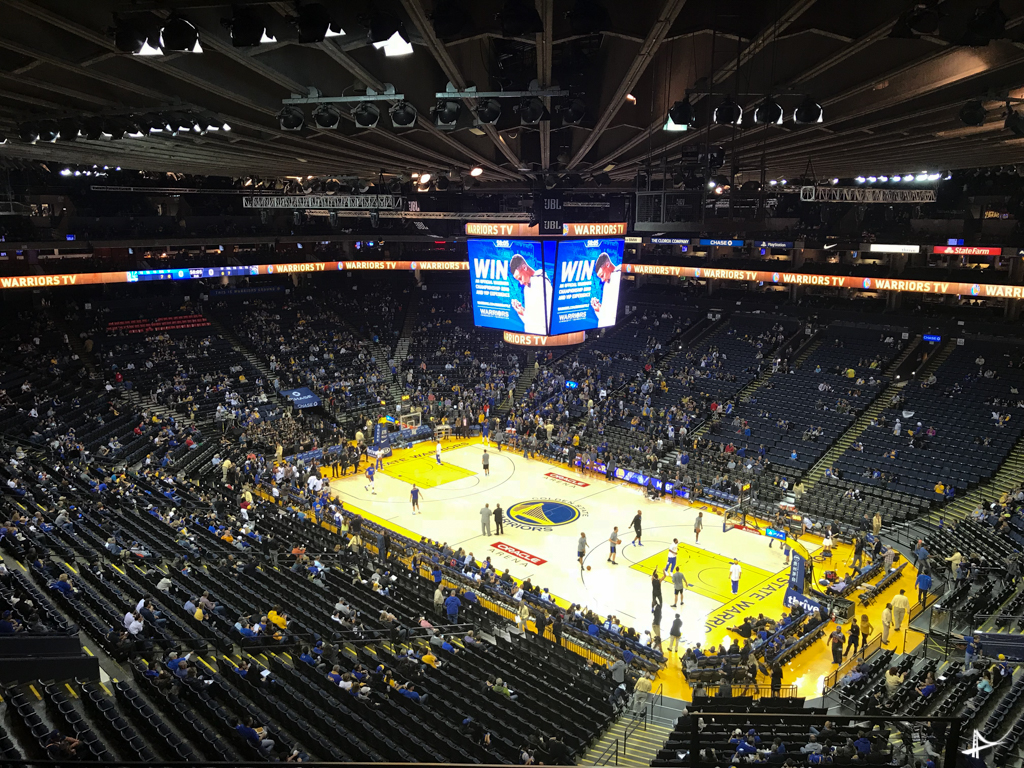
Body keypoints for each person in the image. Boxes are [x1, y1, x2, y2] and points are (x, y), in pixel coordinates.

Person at [509, 252, 553, 335]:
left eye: (520, 278)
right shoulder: (527, 288)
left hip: (541, 340)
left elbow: (546, 321)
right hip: (530, 339)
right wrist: (521, 312)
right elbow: (532, 322)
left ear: (524, 267)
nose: (521, 283)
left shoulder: (542, 283)